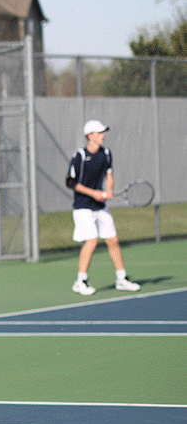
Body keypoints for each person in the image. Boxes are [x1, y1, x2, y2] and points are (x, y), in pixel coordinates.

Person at [66, 120, 140, 295]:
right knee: (91, 241)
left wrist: (108, 189)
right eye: (99, 133)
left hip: (100, 207)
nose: (103, 135)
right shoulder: (80, 156)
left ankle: (121, 279)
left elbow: (109, 175)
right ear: (90, 136)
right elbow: (70, 182)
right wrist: (93, 193)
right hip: (83, 207)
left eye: (103, 132)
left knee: (112, 240)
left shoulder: (106, 153)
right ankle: (80, 281)